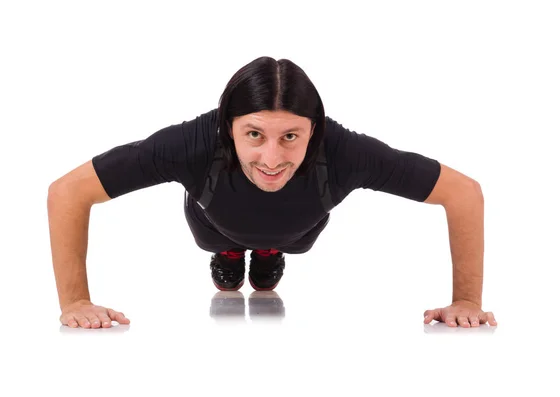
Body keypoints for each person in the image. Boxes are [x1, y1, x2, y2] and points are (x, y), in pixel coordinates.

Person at [48, 56, 497, 330]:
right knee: (216, 238)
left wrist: (466, 302)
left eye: (290, 137)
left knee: (289, 241)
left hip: (296, 231)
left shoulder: (347, 152)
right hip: (213, 222)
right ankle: (231, 253)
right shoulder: (189, 145)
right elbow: (68, 192)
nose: (270, 156)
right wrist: (76, 302)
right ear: (228, 127)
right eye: (254, 134)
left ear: (314, 131)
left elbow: (463, 193)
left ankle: (266, 251)